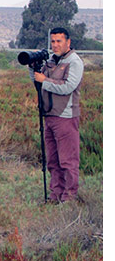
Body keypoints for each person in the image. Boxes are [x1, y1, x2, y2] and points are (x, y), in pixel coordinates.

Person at [31, 27, 84, 203]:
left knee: (67, 160)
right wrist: (33, 68)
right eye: (53, 41)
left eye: (59, 41)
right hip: (50, 115)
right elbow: (38, 82)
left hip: (66, 116)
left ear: (68, 42)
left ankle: (69, 198)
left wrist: (44, 80)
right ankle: (55, 195)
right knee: (53, 160)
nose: (55, 45)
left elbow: (67, 87)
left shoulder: (74, 62)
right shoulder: (52, 61)